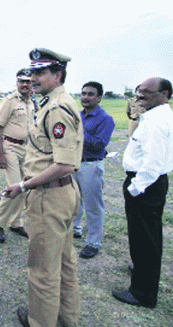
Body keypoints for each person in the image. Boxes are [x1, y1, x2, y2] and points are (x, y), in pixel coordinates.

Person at [1, 48, 83, 327]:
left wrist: (23, 186)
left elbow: (64, 165)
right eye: (31, 72)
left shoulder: (57, 108)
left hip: (49, 196)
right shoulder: (54, 102)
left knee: (43, 269)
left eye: (40, 72)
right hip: (61, 193)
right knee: (64, 263)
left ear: (57, 74)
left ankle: (40, 322)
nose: (33, 77)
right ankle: (66, 319)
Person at [112, 77, 173, 309]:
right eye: (139, 92)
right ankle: (142, 270)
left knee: (144, 240)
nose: (140, 96)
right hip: (154, 183)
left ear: (164, 94)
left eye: (147, 93)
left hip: (145, 185)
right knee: (149, 237)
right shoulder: (162, 116)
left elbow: (153, 162)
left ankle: (142, 293)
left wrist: (135, 188)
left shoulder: (155, 121)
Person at [0, 69, 35, 243]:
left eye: (28, 81)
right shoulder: (9, 101)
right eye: (21, 81)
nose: (25, 84)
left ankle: (16, 222)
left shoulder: (32, 102)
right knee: (14, 185)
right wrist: (0, 153)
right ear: (17, 83)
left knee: (26, 185)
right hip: (10, 147)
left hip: (27, 149)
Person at [72, 81, 115, 259]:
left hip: (91, 164)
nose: (85, 97)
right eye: (83, 93)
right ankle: (75, 228)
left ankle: (93, 243)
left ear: (99, 97)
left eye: (90, 94)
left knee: (93, 206)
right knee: (74, 201)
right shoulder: (78, 115)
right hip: (74, 163)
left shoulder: (105, 119)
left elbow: (99, 145)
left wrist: (79, 131)